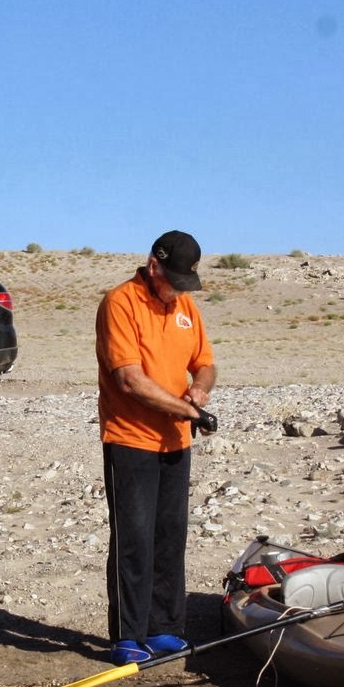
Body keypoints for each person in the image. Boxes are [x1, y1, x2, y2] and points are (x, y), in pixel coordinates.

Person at [96, 230, 217, 665]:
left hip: (175, 441)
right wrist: (185, 412)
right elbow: (130, 379)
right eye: (175, 281)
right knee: (134, 539)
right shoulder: (120, 303)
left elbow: (204, 364)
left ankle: (165, 627)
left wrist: (198, 395)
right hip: (129, 438)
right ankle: (129, 634)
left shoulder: (185, 306)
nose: (180, 292)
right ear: (153, 267)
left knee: (170, 536)